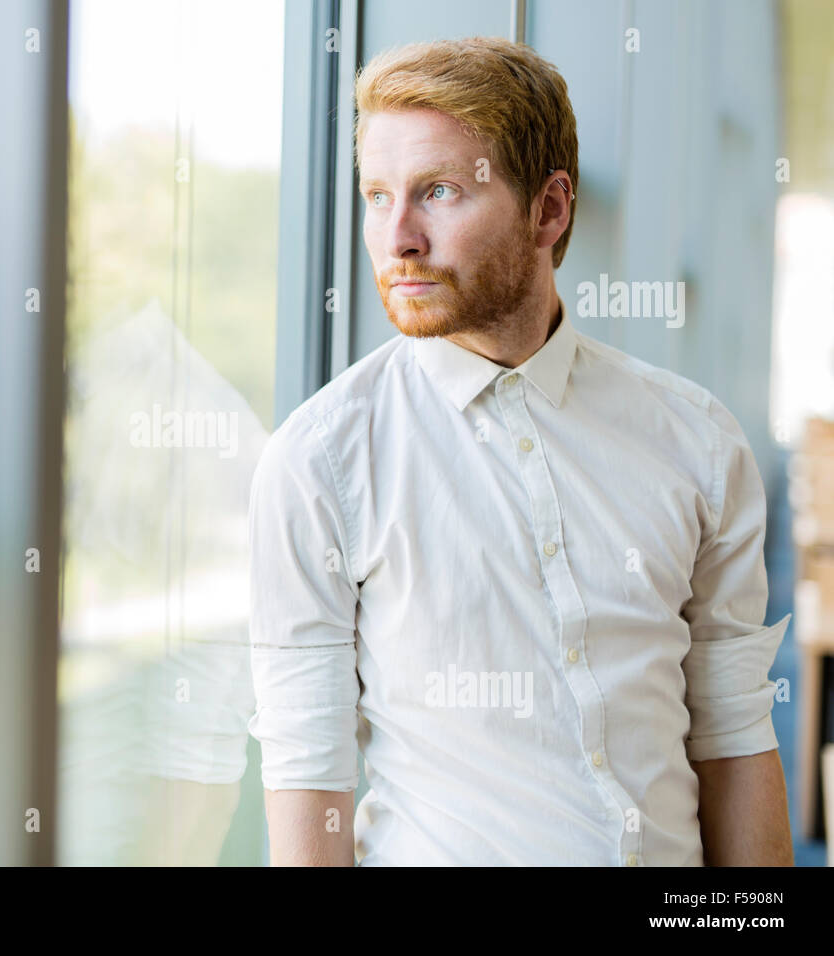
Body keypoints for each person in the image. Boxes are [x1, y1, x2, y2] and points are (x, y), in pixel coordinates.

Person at [247, 36, 793, 866]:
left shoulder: (699, 440)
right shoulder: (320, 463)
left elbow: (732, 730)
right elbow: (306, 768)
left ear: (550, 209)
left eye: (436, 192)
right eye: (376, 195)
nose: (397, 238)